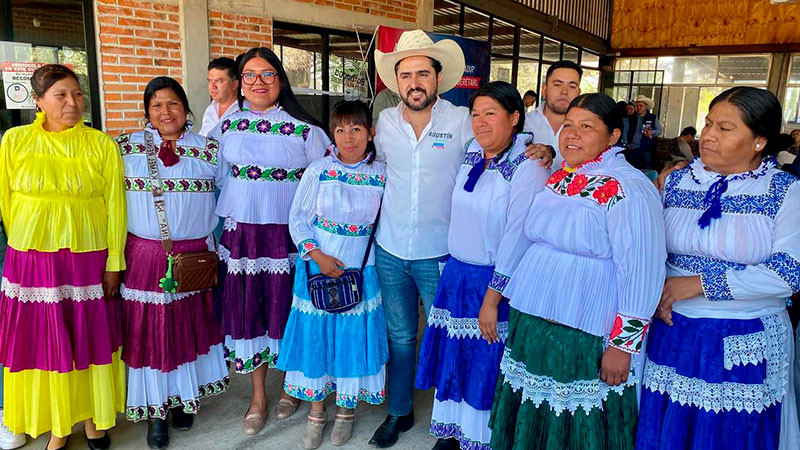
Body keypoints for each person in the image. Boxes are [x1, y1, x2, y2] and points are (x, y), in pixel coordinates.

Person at [370, 29, 553, 449]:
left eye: (423, 73)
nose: (414, 83)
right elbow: (371, 164)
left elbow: (505, 142)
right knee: (401, 337)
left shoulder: (462, 121)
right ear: (396, 82)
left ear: (439, 78)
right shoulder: (385, 123)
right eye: (405, 75)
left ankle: (453, 422)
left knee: (454, 342)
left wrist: (543, 149)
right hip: (391, 247)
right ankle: (399, 411)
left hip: (442, 254)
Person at [489, 93, 666, 450]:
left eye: (587, 127)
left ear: (613, 136)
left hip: (584, 324)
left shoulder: (627, 187)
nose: (572, 134)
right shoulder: (561, 177)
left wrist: (623, 345)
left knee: (576, 423)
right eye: (568, 125)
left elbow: (641, 268)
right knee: (534, 412)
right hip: (534, 315)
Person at [636, 86, 800, 450]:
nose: (708, 135)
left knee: (730, 435)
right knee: (669, 430)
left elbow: (789, 273)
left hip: (745, 335)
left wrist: (697, 284)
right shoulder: (675, 180)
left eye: (724, 129)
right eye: (708, 124)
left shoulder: (786, 192)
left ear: (759, 141)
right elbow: (645, 247)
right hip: (673, 330)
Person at [414, 81, 549, 450]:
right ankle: (451, 430)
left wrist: (492, 299)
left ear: (514, 117)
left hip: (492, 282)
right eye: (475, 114)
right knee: (454, 358)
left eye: (491, 113)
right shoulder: (473, 151)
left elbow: (518, 236)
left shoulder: (529, 166)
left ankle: (479, 437)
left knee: (485, 363)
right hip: (458, 274)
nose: (481, 122)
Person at [0, 64, 127, 450]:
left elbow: (115, 206)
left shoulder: (101, 145)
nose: (72, 102)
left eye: (77, 93)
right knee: (46, 341)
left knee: (88, 339)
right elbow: (7, 202)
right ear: (38, 101)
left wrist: (114, 261)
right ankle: (59, 424)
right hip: (33, 261)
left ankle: (93, 419)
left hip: (88, 258)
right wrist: (25, 244)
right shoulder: (15, 141)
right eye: (61, 95)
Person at [210, 47, 330, 435]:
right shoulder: (226, 127)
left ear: (281, 79)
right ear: (239, 82)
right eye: (249, 75)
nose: (258, 82)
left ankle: (291, 388)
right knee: (252, 313)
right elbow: (211, 175)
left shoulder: (306, 130)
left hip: (289, 237)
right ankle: (258, 396)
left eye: (267, 74)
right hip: (242, 236)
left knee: (290, 311)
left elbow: (326, 180)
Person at [117, 77, 229, 449]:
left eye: (173, 104)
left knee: (187, 328)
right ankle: (156, 412)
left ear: (186, 108)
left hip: (194, 258)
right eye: (157, 105)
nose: (166, 112)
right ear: (147, 112)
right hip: (145, 256)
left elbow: (229, 197)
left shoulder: (209, 150)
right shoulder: (125, 148)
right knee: (152, 333)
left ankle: (184, 398)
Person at [276, 100, 388, 449]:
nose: (348, 137)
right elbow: (298, 218)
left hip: (361, 271)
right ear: (332, 135)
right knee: (318, 339)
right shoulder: (319, 170)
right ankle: (316, 412)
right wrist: (319, 256)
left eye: (356, 129)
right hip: (318, 270)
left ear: (370, 132)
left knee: (350, 341)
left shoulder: (383, 173)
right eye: (340, 130)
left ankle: (346, 411)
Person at [523, 60, 583, 168]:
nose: (564, 91)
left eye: (572, 86)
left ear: (579, 93)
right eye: (557, 85)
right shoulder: (523, 124)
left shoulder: (588, 131)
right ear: (544, 90)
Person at [199, 57, 240, 136]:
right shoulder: (211, 109)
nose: (212, 86)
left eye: (219, 81)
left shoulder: (245, 110)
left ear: (235, 84)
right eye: (210, 81)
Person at [629, 94, 661, 169]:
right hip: (633, 148)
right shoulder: (632, 118)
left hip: (647, 149)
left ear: (646, 106)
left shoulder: (652, 118)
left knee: (647, 168)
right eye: (636, 106)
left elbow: (659, 130)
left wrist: (652, 132)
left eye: (640, 106)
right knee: (633, 169)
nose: (638, 108)